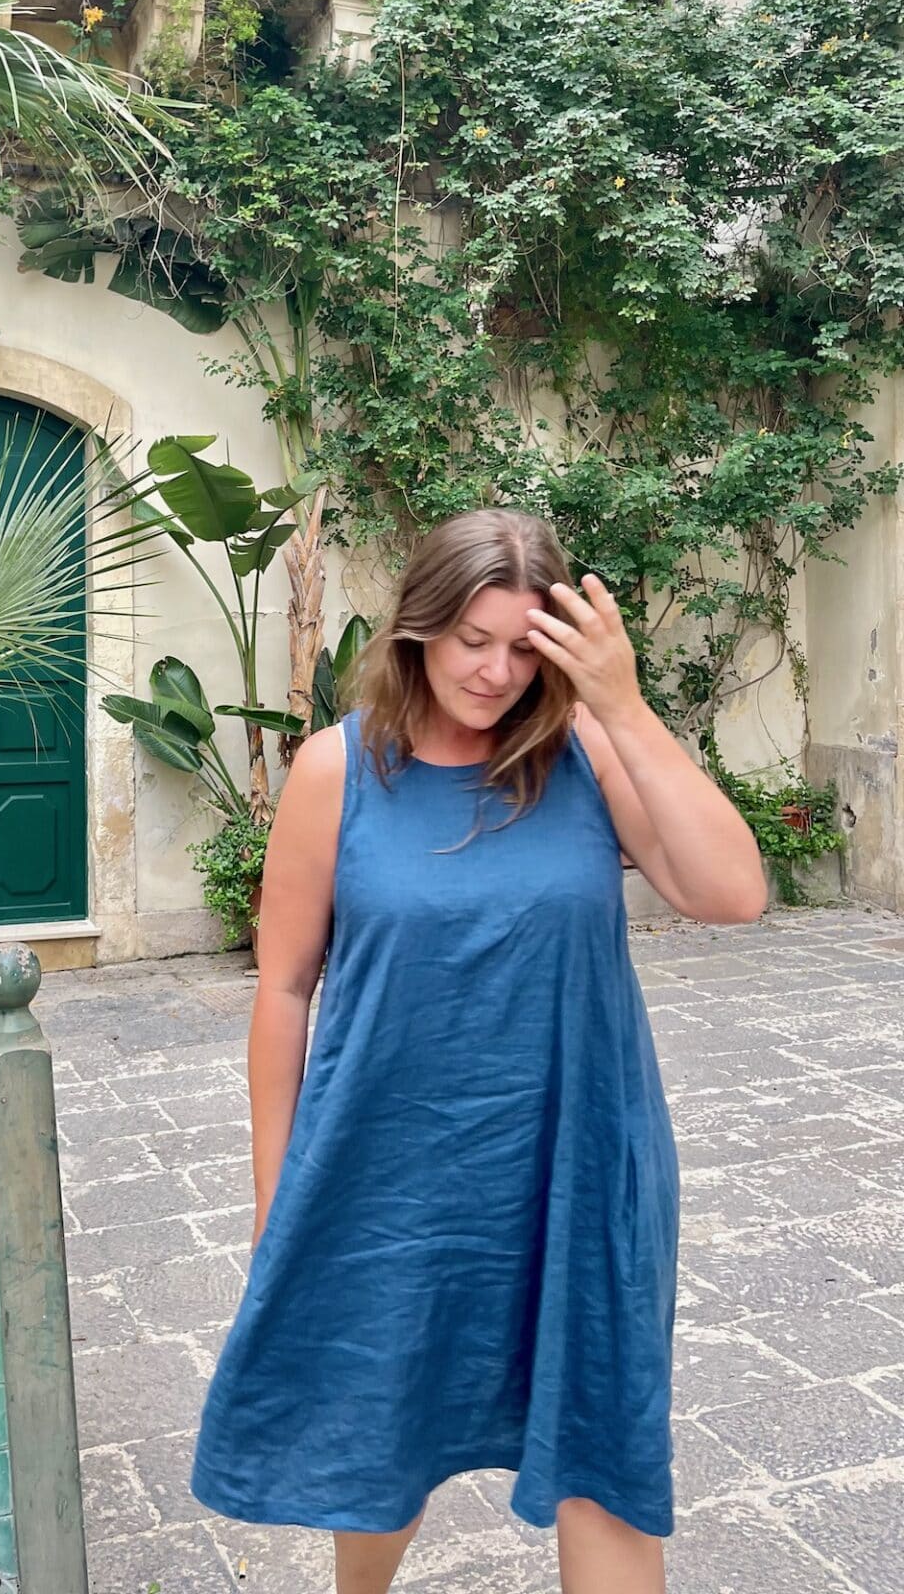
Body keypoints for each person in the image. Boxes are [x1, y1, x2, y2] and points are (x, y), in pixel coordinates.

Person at [190, 508, 767, 1594]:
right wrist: (277, 1200)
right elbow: (284, 989)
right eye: (472, 641)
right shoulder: (337, 770)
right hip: (388, 1176)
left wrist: (622, 704)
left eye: (523, 648)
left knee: (601, 1447)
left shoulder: (584, 752)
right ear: (419, 628)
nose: (497, 674)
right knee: (380, 1438)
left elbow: (732, 893)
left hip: (578, 1163)